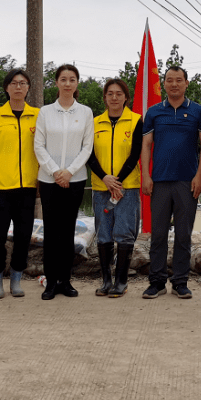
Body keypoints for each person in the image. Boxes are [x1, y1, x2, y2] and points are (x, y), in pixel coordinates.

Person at [140, 65, 201, 299]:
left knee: (183, 234)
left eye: (179, 80)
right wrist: (146, 176)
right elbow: (146, 145)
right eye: (169, 80)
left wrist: (199, 176)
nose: (174, 84)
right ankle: (157, 281)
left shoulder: (198, 111)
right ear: (164, 84)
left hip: (186, 183)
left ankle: (180, 281)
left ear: (186, 83)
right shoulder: (154, 112)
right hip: (159, 181)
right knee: (157, 234)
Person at [34, 64, 94, 300]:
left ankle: (65, 280)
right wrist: (55, 171)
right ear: (56, 83)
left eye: (72, 79)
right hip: (48, 181)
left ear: (77, 83)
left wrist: (68, 172)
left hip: (75, 180)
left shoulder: (85, 112)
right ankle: (50, 282)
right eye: (63, 79)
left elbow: (87, 147)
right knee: (51, 231)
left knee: (68, 230)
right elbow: (39, 145)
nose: (67, 83)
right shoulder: (45, 112)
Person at [0, 68, 40, 300]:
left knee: (24, 235)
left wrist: (40, 182)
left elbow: (41, 150)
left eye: (23, 83)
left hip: (27, 186)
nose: (18, 87)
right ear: (7, 88)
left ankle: (16, 278)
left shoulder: (37, 115)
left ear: (28, 88)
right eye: (14, 83)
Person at [86, 78, 143, 298]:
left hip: (126, 188)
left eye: (119, 93)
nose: (114, 97)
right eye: (110, 93)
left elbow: (135, 153)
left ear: (126, 97)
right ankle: (106, 281)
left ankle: (121, 282)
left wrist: (117, 181)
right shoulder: (94, 122)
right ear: (105, 97)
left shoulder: (135, 120)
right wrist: (105, 178)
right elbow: (89, 154)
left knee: (125, 235)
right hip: (101, 188)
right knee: (104, 235)